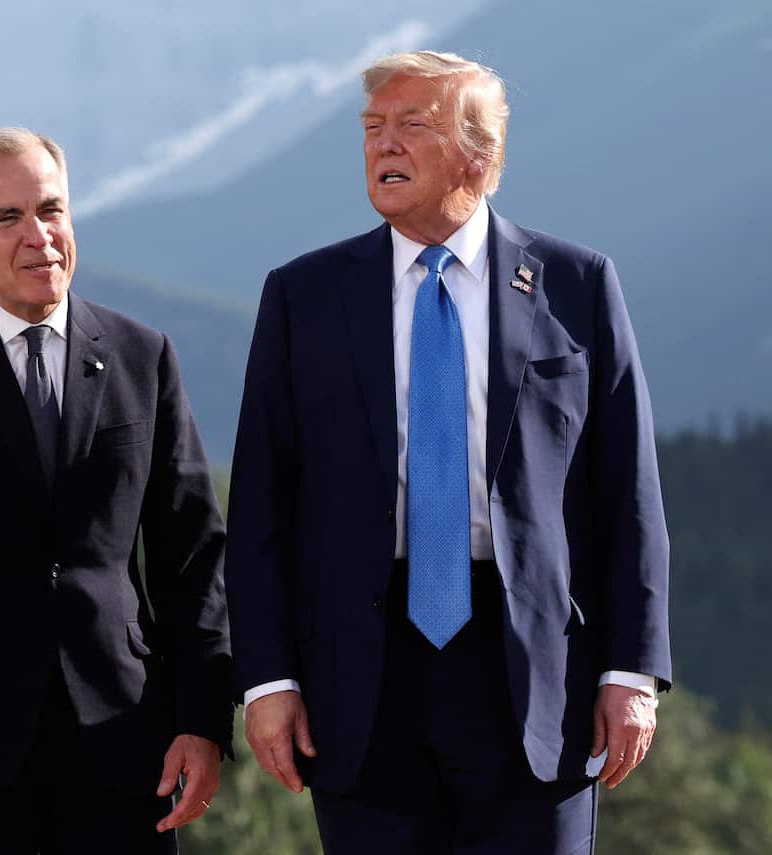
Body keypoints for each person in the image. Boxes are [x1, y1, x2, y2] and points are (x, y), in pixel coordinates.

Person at [224, 51, 670, 853]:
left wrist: (631, 671)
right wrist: (268, 677)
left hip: (536, 675)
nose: (382, 146)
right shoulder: (302, 297)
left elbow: (627, 492)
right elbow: (261, 504)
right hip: (361, 679)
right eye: (372, 128)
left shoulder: (577, 283)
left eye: (411, 127)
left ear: (480, 154)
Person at [0, 127, 231, 854]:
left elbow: (193, 553)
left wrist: (204, 718)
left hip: (122, 740)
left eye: (50, 209)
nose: (39, 236)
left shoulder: (141, 355)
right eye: (7, 218)